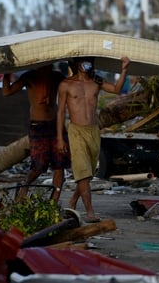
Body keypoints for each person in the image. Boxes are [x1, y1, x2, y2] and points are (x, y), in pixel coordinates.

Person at [57, 56, 130, 222]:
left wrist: (124, 69)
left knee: (87, 173)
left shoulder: (96, 81)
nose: (87, 63)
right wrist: (60, 138)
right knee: (82, 171)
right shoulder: (66, 84)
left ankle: (73, 200)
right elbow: (60, 112)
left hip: (93, 131)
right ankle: (90, 212)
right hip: (76, 131)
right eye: (83, 60)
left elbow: (117, 89)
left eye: (89, 60)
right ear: (75, 63)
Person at [2, 65, 71, 203]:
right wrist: (6, 72)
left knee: (59, 165)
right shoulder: (29, 76)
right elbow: (6, 92)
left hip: (55, 124)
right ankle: (24, 188)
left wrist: (73, 65)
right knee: (38, 166)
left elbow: (72, 84)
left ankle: (54, 201)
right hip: (37, 126)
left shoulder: (56, 77)